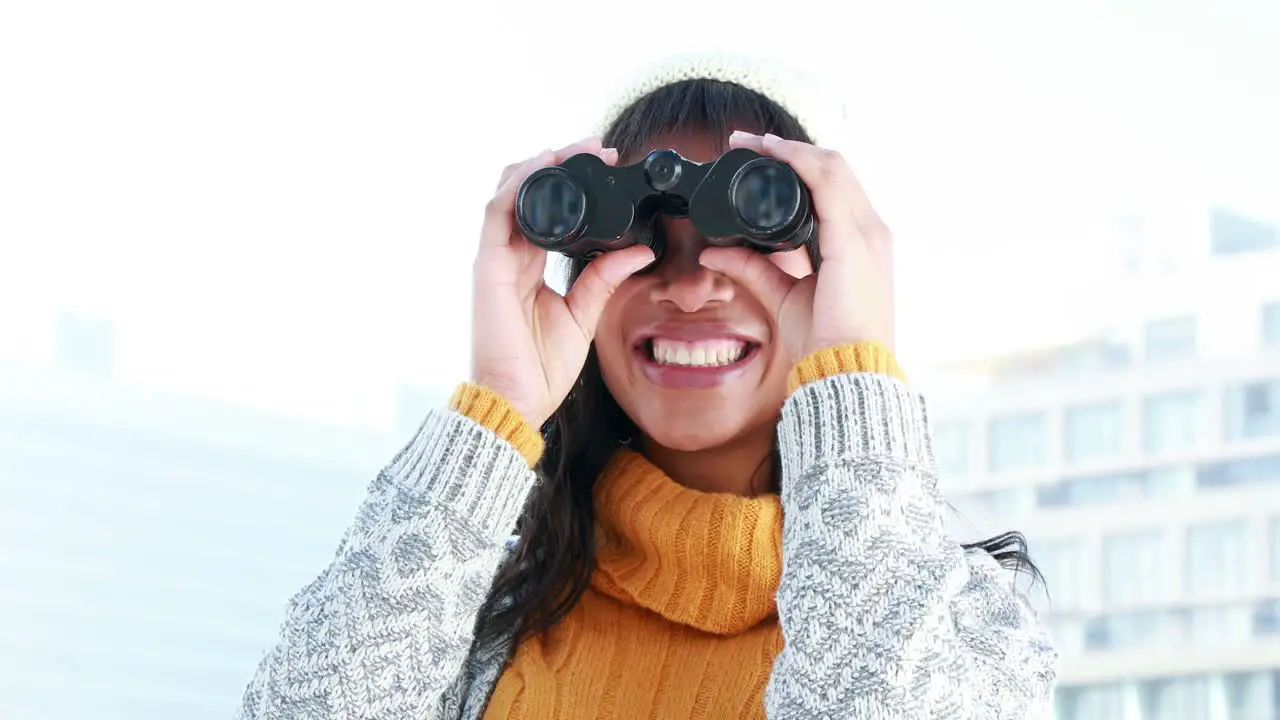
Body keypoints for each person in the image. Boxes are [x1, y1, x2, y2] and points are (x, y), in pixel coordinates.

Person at [236, 54, 1058, 720]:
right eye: (643, 243)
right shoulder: (467, 615)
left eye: (745, 232)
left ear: (843, 259)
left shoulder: (966, 630)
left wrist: (848, 369)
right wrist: (500, 407)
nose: (691, 286)